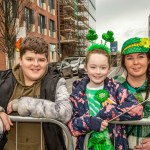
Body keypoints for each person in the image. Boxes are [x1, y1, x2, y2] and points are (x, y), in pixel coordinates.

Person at [68, 29, 143, 150]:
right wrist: (90, 123)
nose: (98, 72)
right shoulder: (77, 92)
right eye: (93, 67)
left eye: (103, 68)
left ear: (108, 69)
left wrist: (107, 113)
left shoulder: (116, 88)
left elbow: (137, 110)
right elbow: (71, 125)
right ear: (86, 67)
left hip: (115, 145)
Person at [0, 37, 72, 150]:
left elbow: (65, 112)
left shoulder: (56, 82)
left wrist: (23, 105)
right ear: (20, 60)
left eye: (41, 60)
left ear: (47, 61)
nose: (35, 64)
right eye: (29, 59)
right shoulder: (3, 79)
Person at [114, 37, 150, 150]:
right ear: (124, 62)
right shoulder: (112, 87)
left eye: (141, 56)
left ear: (148, 59)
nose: (136, 62)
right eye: (130, 58)